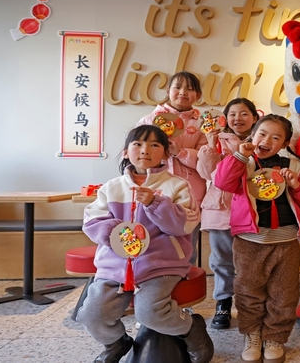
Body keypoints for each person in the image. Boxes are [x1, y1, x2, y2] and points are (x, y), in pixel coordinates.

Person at [77, 125, 213, 363]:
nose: (145, 150)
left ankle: (192, 330)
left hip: (161, 265)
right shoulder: (111, 187)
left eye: (154, 145)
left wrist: (155, 204)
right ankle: (116, 343)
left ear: (166, 154)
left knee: (150, 313)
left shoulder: (178, 185)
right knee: (90, 314)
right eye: (138, 144)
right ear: (126, 152)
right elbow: (92, 220)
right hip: (115, 266)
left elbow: (185, 224)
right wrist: (113, 231)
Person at [214, 114, 300, 363]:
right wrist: (240, 155)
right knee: (248, 290)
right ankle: (252, 335)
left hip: (286, 239)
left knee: (284, 292)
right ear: (252, 135)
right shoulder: (242, 162)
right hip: (250, 240)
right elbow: (222, 182)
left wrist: (298, 185)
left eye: (276, 137)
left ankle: (275, 337)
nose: (267, 140)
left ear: (285, 142)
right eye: (262, 133)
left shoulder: (293, 165)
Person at [196, 98, 260, 329]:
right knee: (222, 261)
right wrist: (211, 145)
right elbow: (205, 172)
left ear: (255, 117)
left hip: (252, 208)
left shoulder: (262, 139)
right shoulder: (217, 139)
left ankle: (249, 304)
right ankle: (223, 303)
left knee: (250, 261)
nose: (237, 118)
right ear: (224, 118)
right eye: (232, 114)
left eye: (244, 114)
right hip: (220, 210)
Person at [137, 71, 207, 266]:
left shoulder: (202, 124)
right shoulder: (151, 120)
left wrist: (181, 152)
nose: (182, 92)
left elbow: (206, 161)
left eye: (190, 89)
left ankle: (185, 287)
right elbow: (136, 156)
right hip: (154, 190)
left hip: (190, 194)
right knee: (149, 241)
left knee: (187, 245)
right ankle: (152, 282)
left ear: (198, 95)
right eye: (177, 87)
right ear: (168, 91)